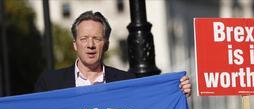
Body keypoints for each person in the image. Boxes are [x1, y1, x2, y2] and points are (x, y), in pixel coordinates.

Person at [35, 11, 191, 96]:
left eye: (96, 39)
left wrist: (177, 89)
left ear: (107, 45)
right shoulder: (50, 84)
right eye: (84, 39)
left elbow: (150, 105)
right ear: (75, 44)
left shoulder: (126, 82)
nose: (90, 45)